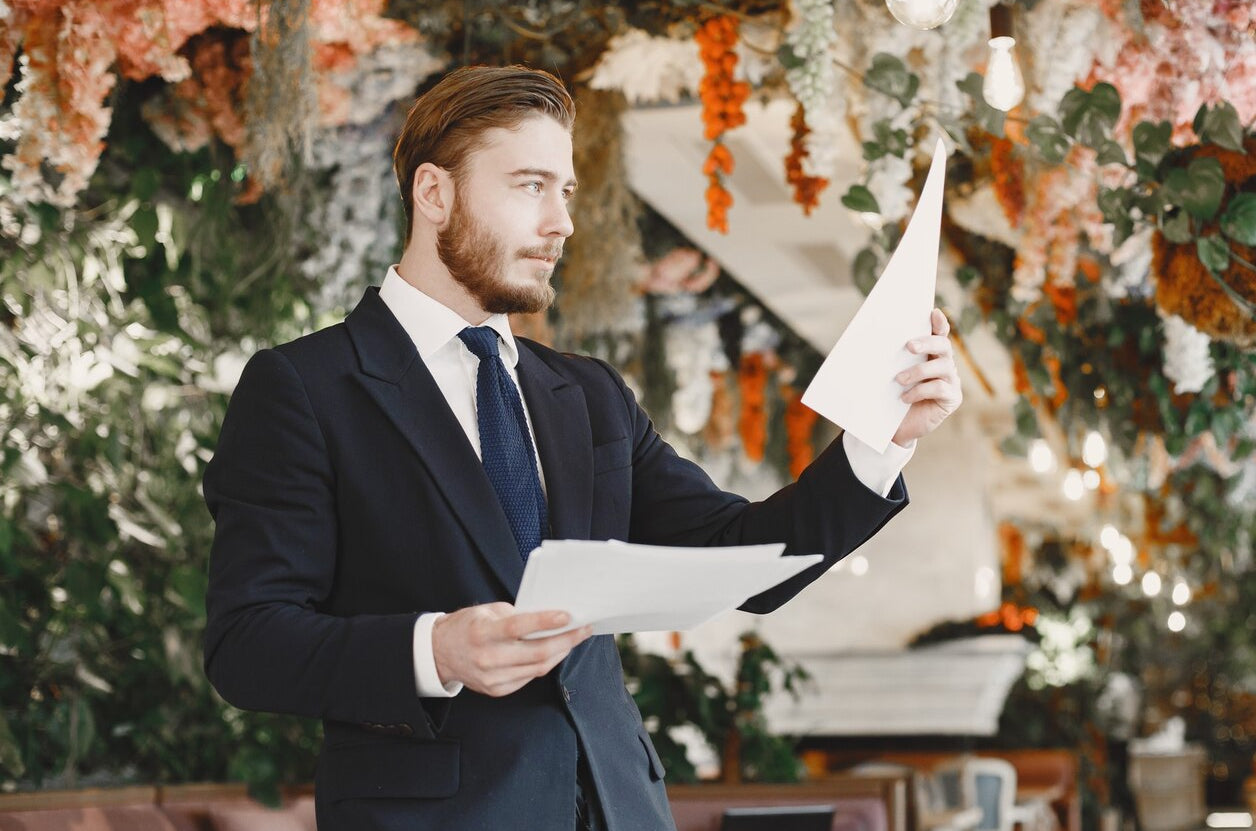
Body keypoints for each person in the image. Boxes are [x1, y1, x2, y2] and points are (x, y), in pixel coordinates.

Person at [203, 65, 963, 831]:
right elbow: (247, 642)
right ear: (435, 194)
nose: (562, 221)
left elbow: (748, 554)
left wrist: (877, 442)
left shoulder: (590, 395)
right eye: (530, 185)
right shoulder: (304, 387)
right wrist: (434, 648)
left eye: (565, 192)